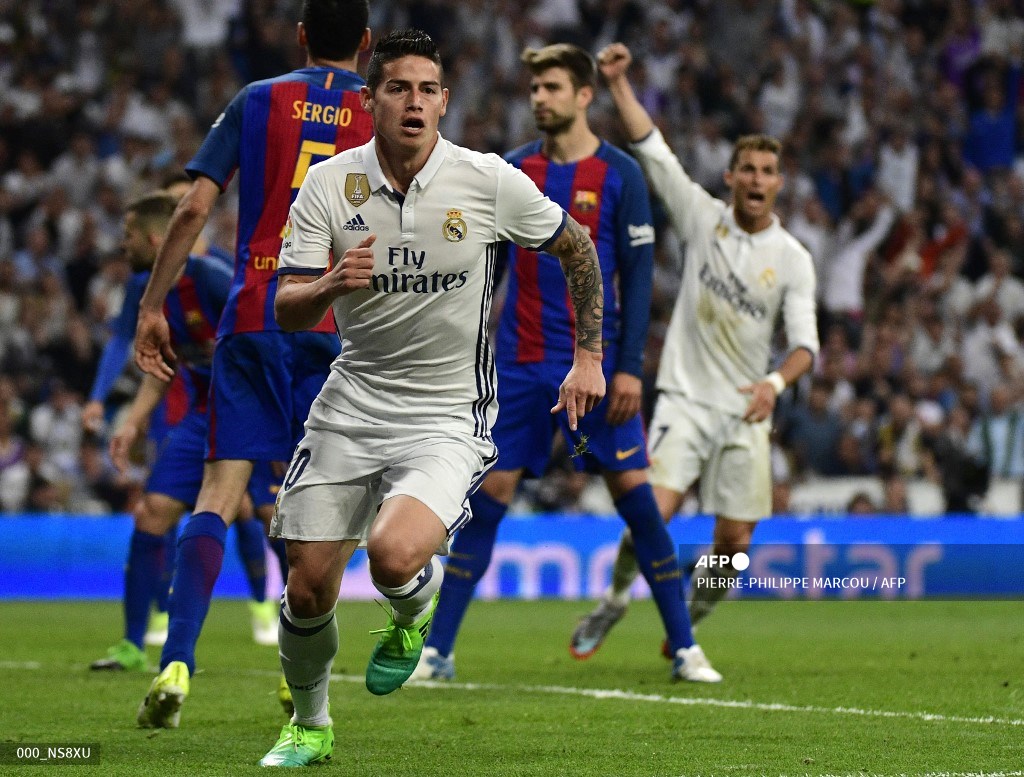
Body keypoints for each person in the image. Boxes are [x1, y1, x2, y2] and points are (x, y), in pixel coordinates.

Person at [258, 29, 606, 768]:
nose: (414, 103)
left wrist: (590, 356)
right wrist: (326, 285)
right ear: (369, 99)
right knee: (308, 581)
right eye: (397, 88)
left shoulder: (484, 179)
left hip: (447, 413)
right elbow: (284, 303)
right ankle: (311, 726)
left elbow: (576, 245)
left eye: (427, 90)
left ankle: (412, 612)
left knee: (391, 554)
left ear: (445, 101)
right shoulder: (329, 185)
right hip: (351, 401)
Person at [411, 42, 718, 686]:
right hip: (520, 368)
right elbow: (482, 267)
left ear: (584, 95)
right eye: (535, 88)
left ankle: (684, 647)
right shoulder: (511, 170)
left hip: (598, 368)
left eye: (552, 87)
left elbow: (637, 279)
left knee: (637, 502)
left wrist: (628, 367)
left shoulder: (621, 176)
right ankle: (437, 651)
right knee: (488, 499)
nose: (539, 98)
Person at [133, 0, 374, 729]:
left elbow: (190, 211)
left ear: (300, 36)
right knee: (320, 507)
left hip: (254, 315)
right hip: (336, 324)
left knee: (219, 491)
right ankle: (298, 679)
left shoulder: (257, 99)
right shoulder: (383, 108)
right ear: (366, 44)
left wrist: (152, 304)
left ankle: (177, 659)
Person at [570, 43, 819, 657]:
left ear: (778, 183)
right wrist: (619, 84)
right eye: (748, 170)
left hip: (744, 408)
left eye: (768, 172)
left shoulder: (793, 259)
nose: (757, 180)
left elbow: (806, 346)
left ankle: (687, 619)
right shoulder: (703, 218)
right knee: (649, 514)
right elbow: (653, 151)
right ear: (731, 176)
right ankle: (616, 598)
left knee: (733, 548)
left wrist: (775, 385)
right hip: (685, 397)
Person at [87, 192, 279, 675]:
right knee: (151, 513)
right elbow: (163, 365)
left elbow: (266, 342)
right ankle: (133, 644)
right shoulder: (145, 291)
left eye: (129, 236)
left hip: (249, 410)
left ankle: (290, 621)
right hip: (201, 414)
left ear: (157, 240)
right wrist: (132, 420)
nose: (123, 244)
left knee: (269, 516)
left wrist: (282, 425)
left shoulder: (211, 281)